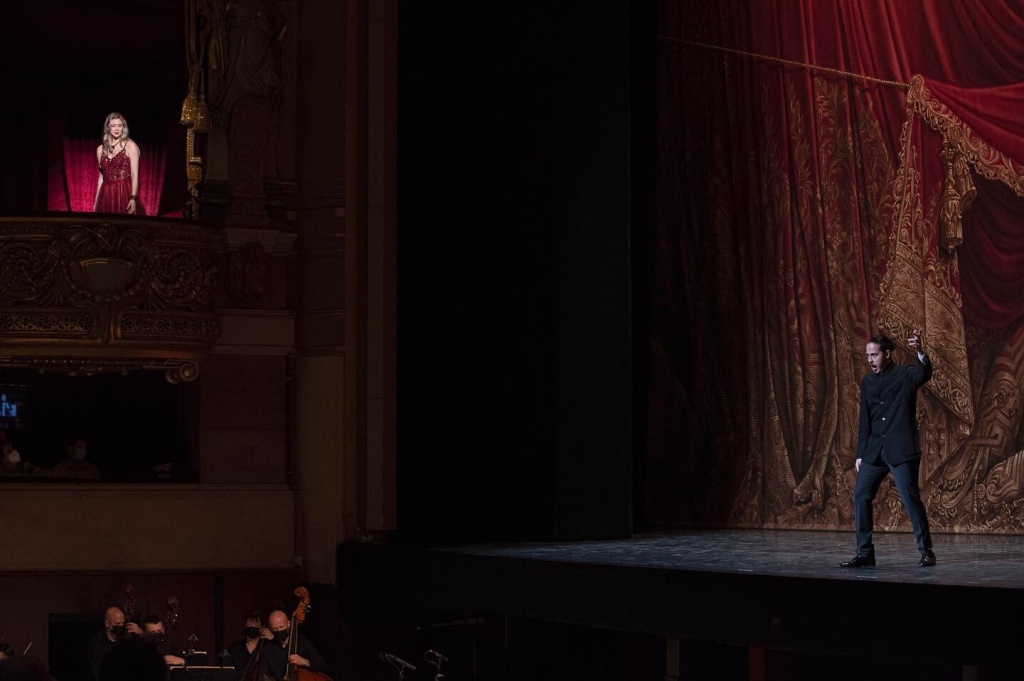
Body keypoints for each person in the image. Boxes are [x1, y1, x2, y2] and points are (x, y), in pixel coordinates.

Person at [839, 329, 936, 568]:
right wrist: (861, 454)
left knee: (910, 498)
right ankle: (865, 553)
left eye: (874, 355)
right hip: (874, 451)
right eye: (868, 356)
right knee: (861, 495)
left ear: (888, 354)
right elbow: (865, 419)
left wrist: (920, 351)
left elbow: (925, 373)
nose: (870, 360)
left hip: (901, 450)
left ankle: (927, 552)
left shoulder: (905, 375)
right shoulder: (867, 382)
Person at [257, 610, 328, 681]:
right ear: (270, 628)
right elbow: (262, 677)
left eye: (281, 627)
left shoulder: (302, 641)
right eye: (275, 629)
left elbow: (323, 665)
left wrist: (305, 662)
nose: (279, 630)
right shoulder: (266, 651)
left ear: (288, 624)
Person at [93, 112, 140, 215]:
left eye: (119, 125)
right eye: (113, 126)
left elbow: (134, 174)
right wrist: (96, 201)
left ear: (123, 127)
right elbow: (101, 178)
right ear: (108, 128)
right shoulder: (100, 149)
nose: (117, 129)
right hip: (105, 193)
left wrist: (133, 198)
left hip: (123, 191)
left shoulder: (130, 146)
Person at [88, 607, 143, 681]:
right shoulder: (97, 643)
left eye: (122, 623)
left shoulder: (124, 639)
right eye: (117, 623)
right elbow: (97, 671)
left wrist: (141, 633)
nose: (121, 626)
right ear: (107, 623)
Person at [226, 611, 268, 680]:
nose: (252, 627)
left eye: (256, 625)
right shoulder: (235, 648)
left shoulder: (267, 647)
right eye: (249, 624)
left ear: (262, 628)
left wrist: (273, 640)